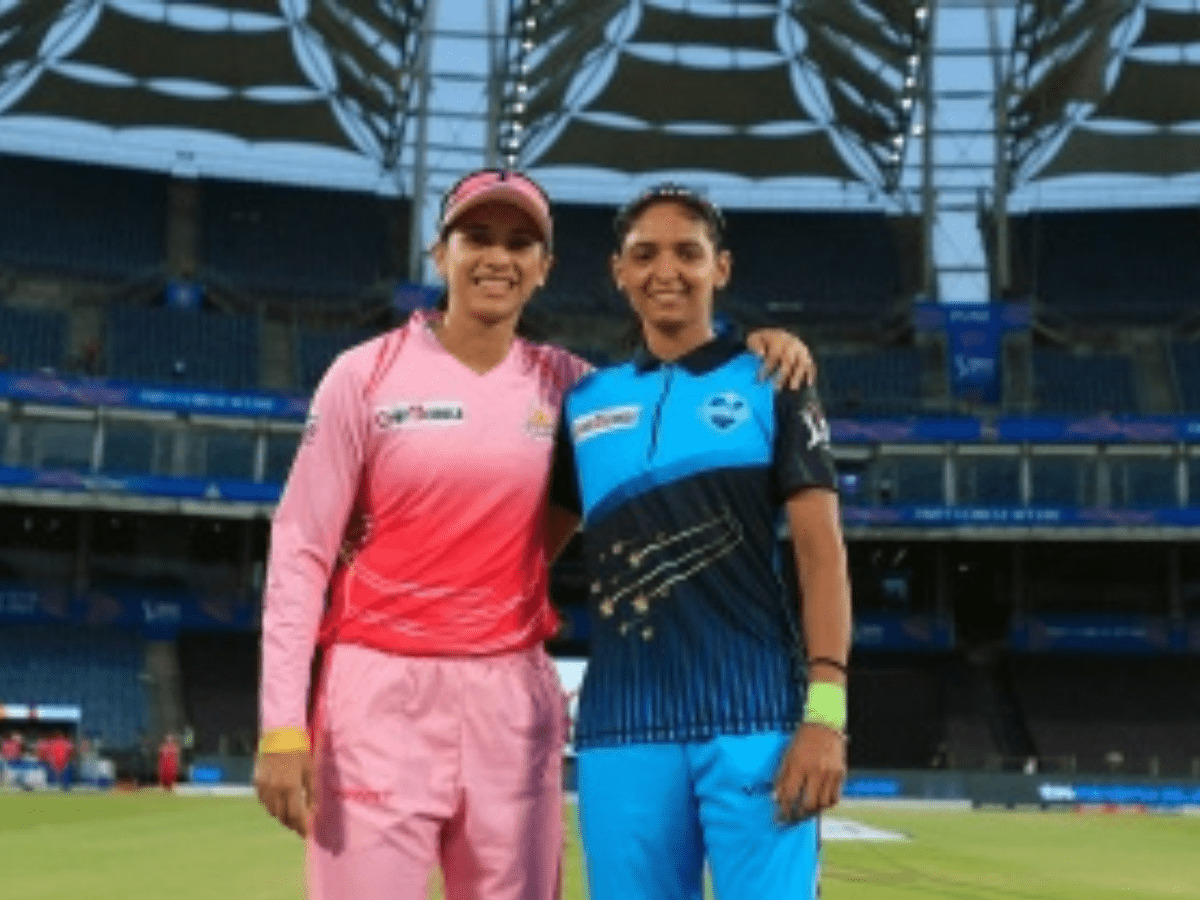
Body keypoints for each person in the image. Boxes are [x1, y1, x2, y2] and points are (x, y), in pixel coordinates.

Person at [253, 168, 818, 900]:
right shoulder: (363, 376)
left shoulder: (574, 389)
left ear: (544, 267)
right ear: (440, 253)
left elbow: (671, 390)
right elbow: (300, 550)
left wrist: (763, 350)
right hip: (379, 688)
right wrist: (281, 724)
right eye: (477, 237)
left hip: (510, 696)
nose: (498, 257)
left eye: (520, 243)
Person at [549, 183, 853, 900]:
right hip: (621, 728)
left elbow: (821, 554)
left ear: (721, 268)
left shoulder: (775, 380)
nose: (667, 271)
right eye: (644, 254)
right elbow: (523, 556)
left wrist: (827, 715)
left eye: (688, 253)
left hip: (756, 718)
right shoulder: (584, 403)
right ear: (619, 272)